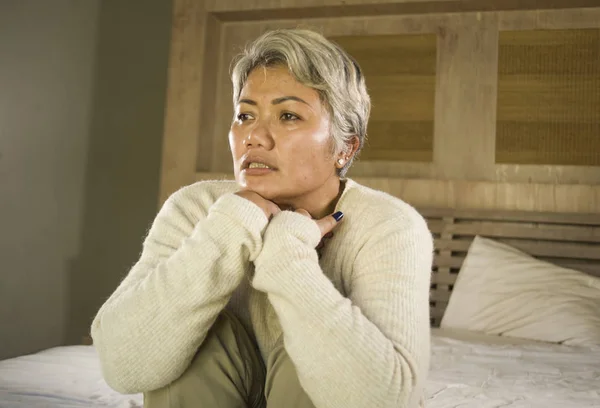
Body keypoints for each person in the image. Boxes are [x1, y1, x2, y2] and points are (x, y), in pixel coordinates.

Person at [90, 28, 433, 408]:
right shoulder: (195, 207)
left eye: (288, 116)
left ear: (344, 146)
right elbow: (123, 368)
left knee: (315, 351)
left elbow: (382, 401)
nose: (254, 136)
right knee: (185, 341)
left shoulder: (388, 226)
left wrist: (288, 255)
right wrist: (232, 224)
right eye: (244, 114)